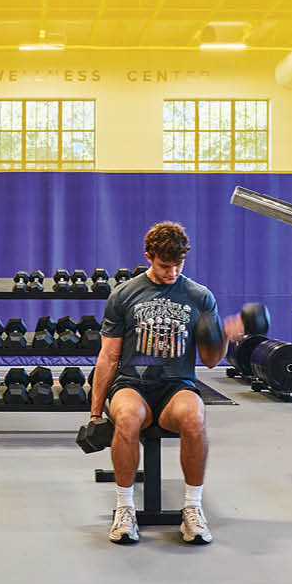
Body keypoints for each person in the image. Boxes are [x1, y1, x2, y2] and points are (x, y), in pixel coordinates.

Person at [89, 220, 243, 545]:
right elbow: (109, 357)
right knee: (127, 417)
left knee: (195, 416)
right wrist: (94, 414)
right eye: (164, 266)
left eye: (178, 265)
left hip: (177, 386)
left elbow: (210, 360)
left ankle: (192, 508)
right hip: (132, 384)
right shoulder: (124, 295)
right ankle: (125, 509)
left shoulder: (200, 296)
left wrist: (224, 337)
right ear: (148, 256)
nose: (172, 273)